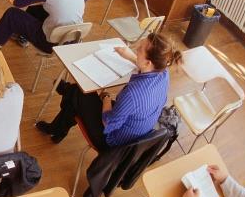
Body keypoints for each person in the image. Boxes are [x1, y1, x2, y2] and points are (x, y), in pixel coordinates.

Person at [36, 33, 181, 150]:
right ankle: (58, 128)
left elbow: (108, 122)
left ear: (148, 62)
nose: (136, 48)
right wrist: (129, 56)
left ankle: (59, 119)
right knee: (76, 96)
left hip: (113, 140)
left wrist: (105, 97)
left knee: (79, 92)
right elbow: (145, 68)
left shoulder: (133, 94)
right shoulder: (163, 73)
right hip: (136, 129)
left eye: (140, 49)